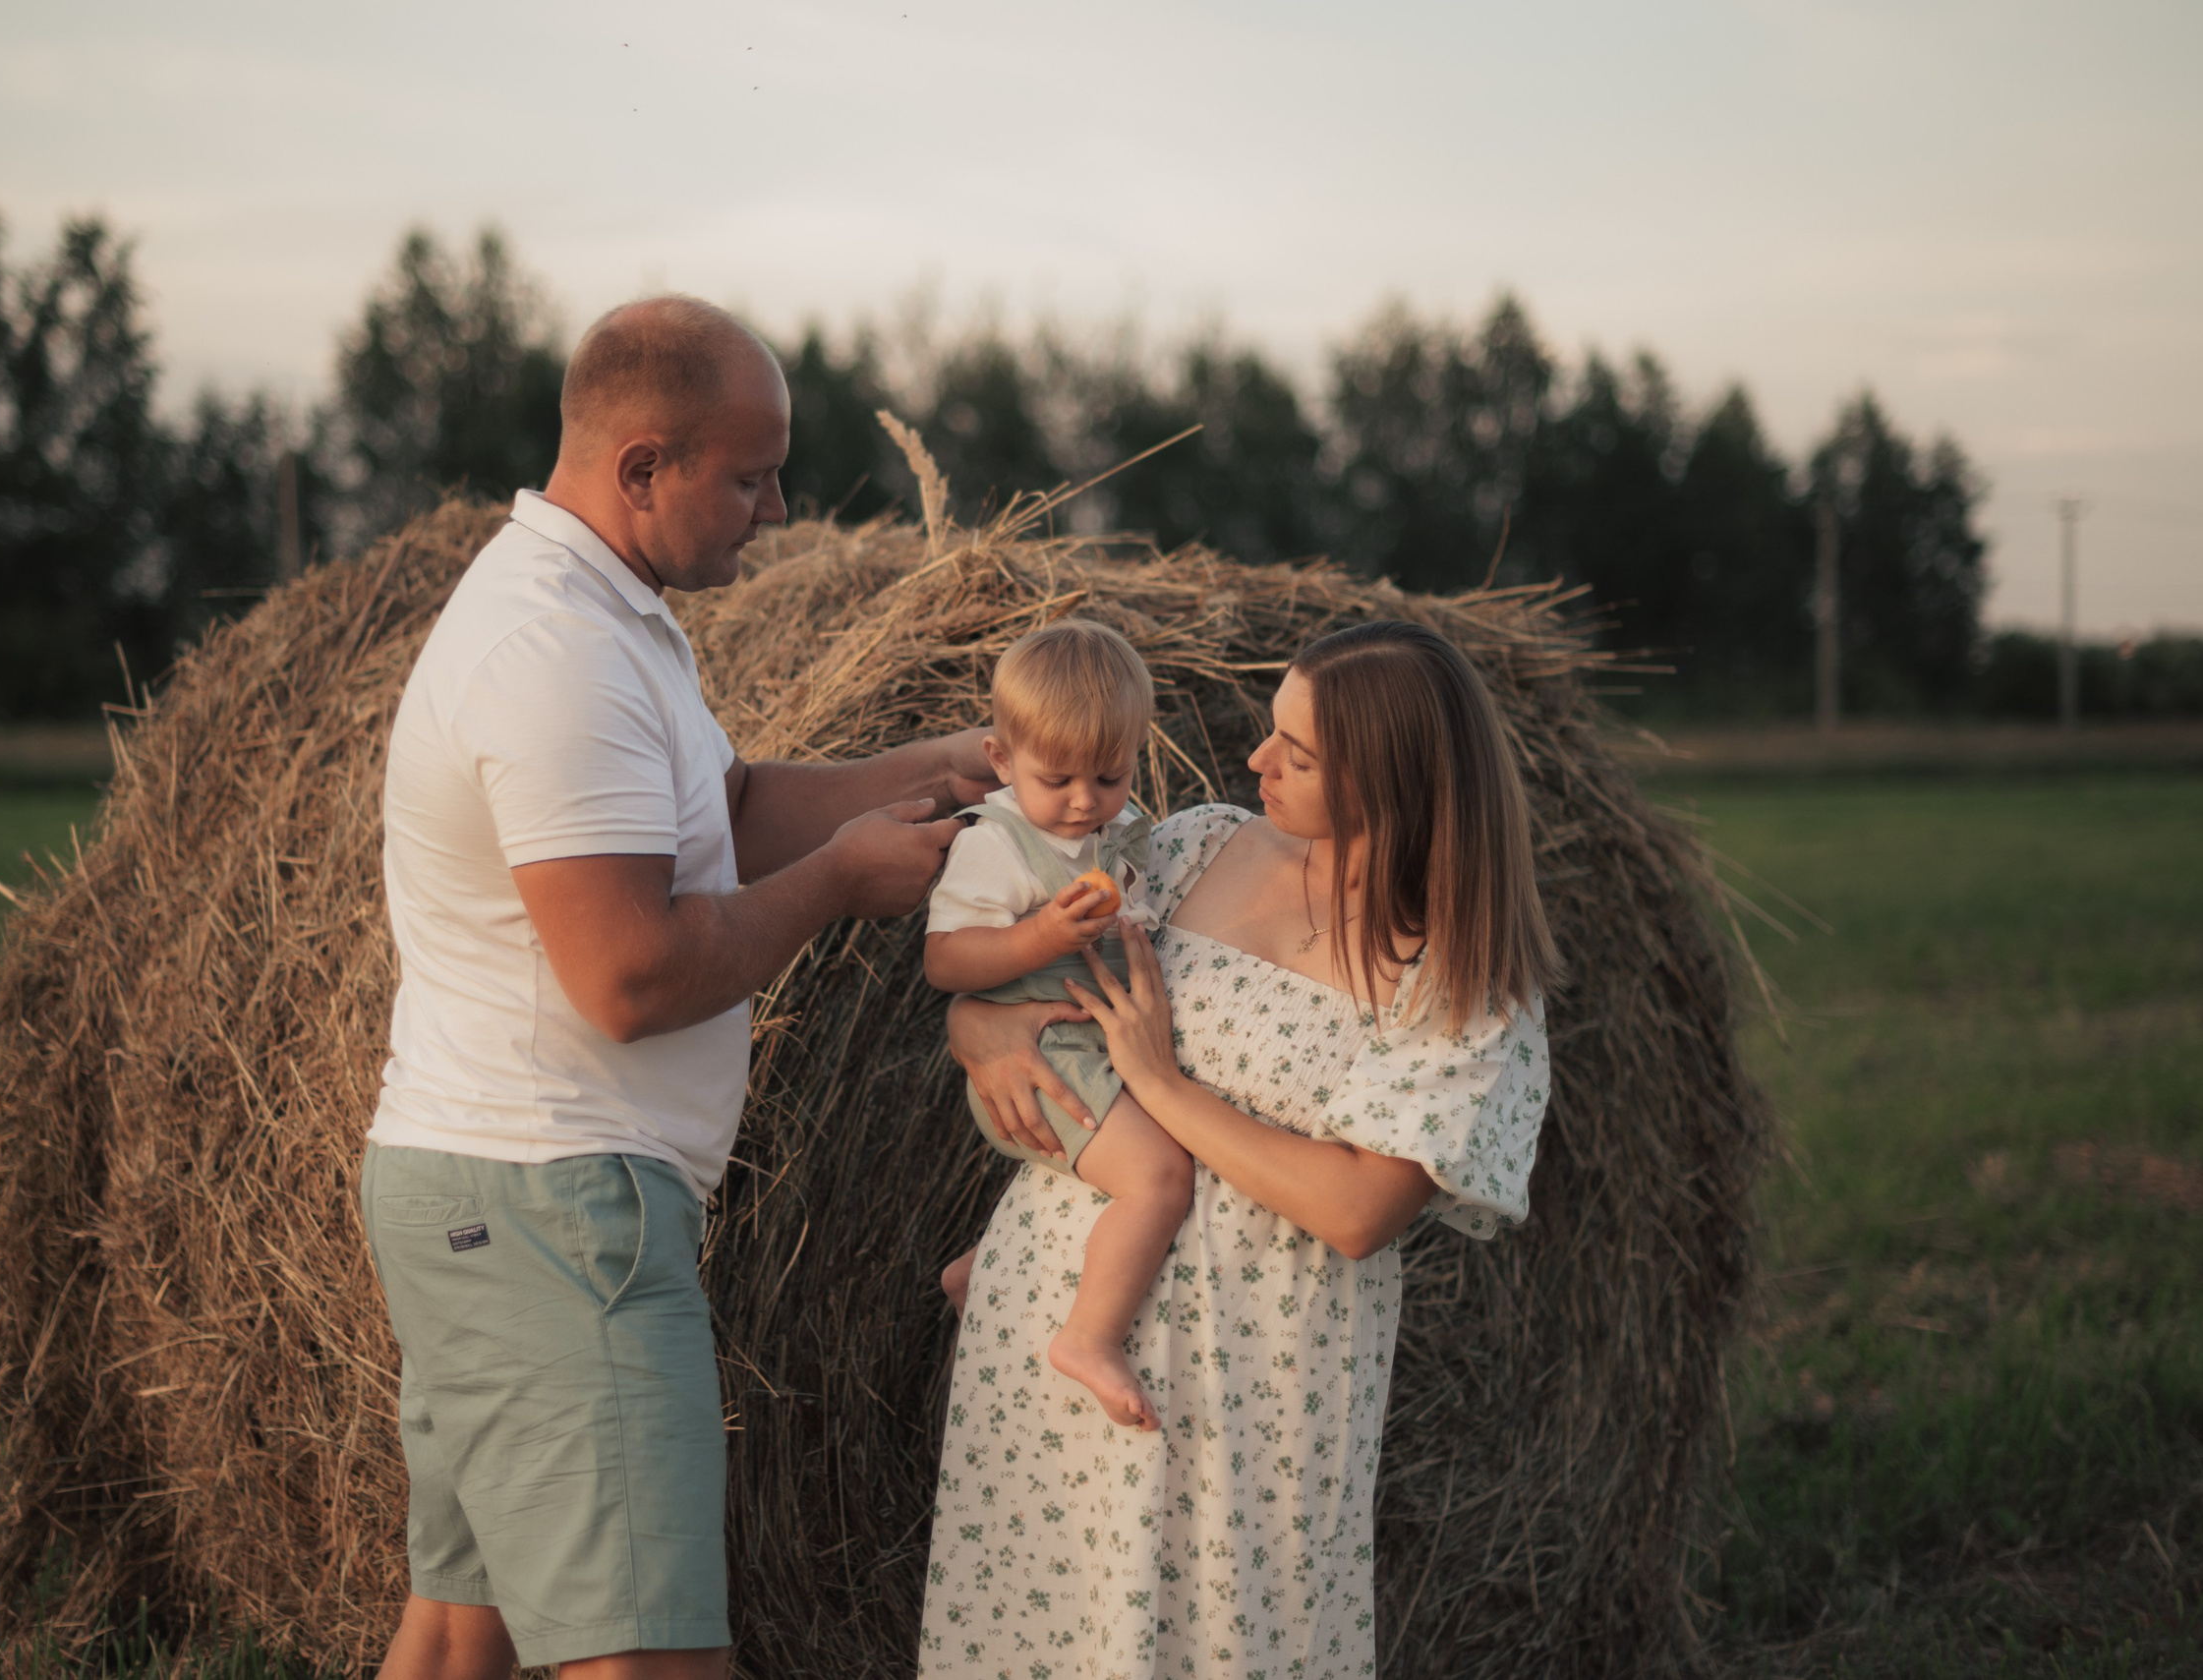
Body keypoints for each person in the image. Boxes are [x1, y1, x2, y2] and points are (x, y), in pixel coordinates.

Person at [359, 295, 997, 1680]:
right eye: (751, 473)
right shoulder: (557, 655)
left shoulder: (606, 609)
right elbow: (631, 977)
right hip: (551, 1211)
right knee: (649, 1658)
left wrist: (938, 761)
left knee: (463, 1636)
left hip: (493, 1196)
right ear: (644, 466)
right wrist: (841, 881)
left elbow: (729, 809)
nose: (778, 507)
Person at [919, 620, 1559, 1679]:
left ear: (1393, 783)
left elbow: (1358, 1210)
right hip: (1067, 1335)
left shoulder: (1459, 976)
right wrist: (975, 1032)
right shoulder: (1192, 845)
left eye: (1299, 755)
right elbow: (1025, 995)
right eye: (1272, 731)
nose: (1257, 760)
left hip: (1256, 1385)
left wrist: (1163, 1083)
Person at [922, 619, 1196, 1431]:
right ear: (1001, 760)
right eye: (1059, 778)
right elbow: (944, 960)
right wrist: (1037, 938)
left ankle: (988, 1269)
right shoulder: (998, 844)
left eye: (1110, 776)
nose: (1084, 800)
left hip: (1097, 1043)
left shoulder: (1116, 832)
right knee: (1160, 1177)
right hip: (1045, 1055)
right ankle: (1089, 1336)